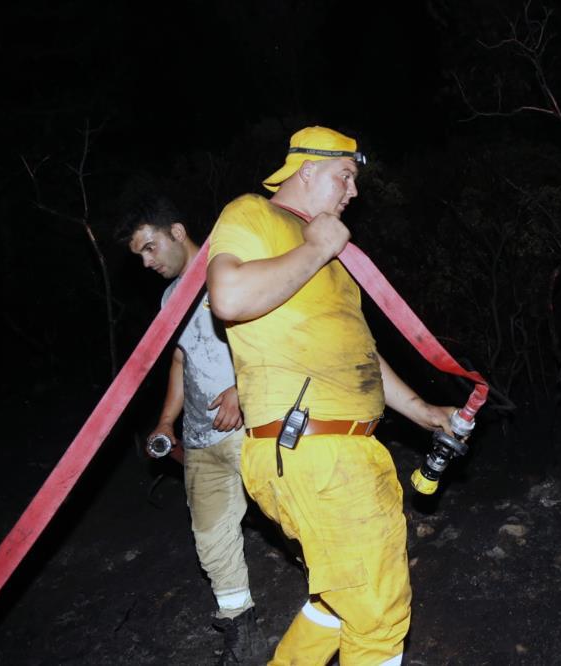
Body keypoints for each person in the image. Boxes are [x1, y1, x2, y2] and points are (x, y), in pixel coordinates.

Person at [206, 126, 459, 666]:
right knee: (379, 617)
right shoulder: (253, 213)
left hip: (353, 449)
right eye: (345, 176)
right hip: (312, 449)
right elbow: (227, 296)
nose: (354, 192)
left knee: (340, 599)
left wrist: (423, 411)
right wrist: (318, 248)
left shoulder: (333, 259)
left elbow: (357, 353)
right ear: (307, 170)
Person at [118, 194, 270, 665]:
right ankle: (242, 634)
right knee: (211, 537)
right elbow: (181, 358)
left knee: (291, 518)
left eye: (149, 247)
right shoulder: (169, 299)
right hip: (202, 438)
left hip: (254, 425)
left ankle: (341, 598)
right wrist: (166, 420)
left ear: (177, 233)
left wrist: (243, 389)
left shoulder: (231, 268)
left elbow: (274, 330)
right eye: (139, 254)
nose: (146, 262)